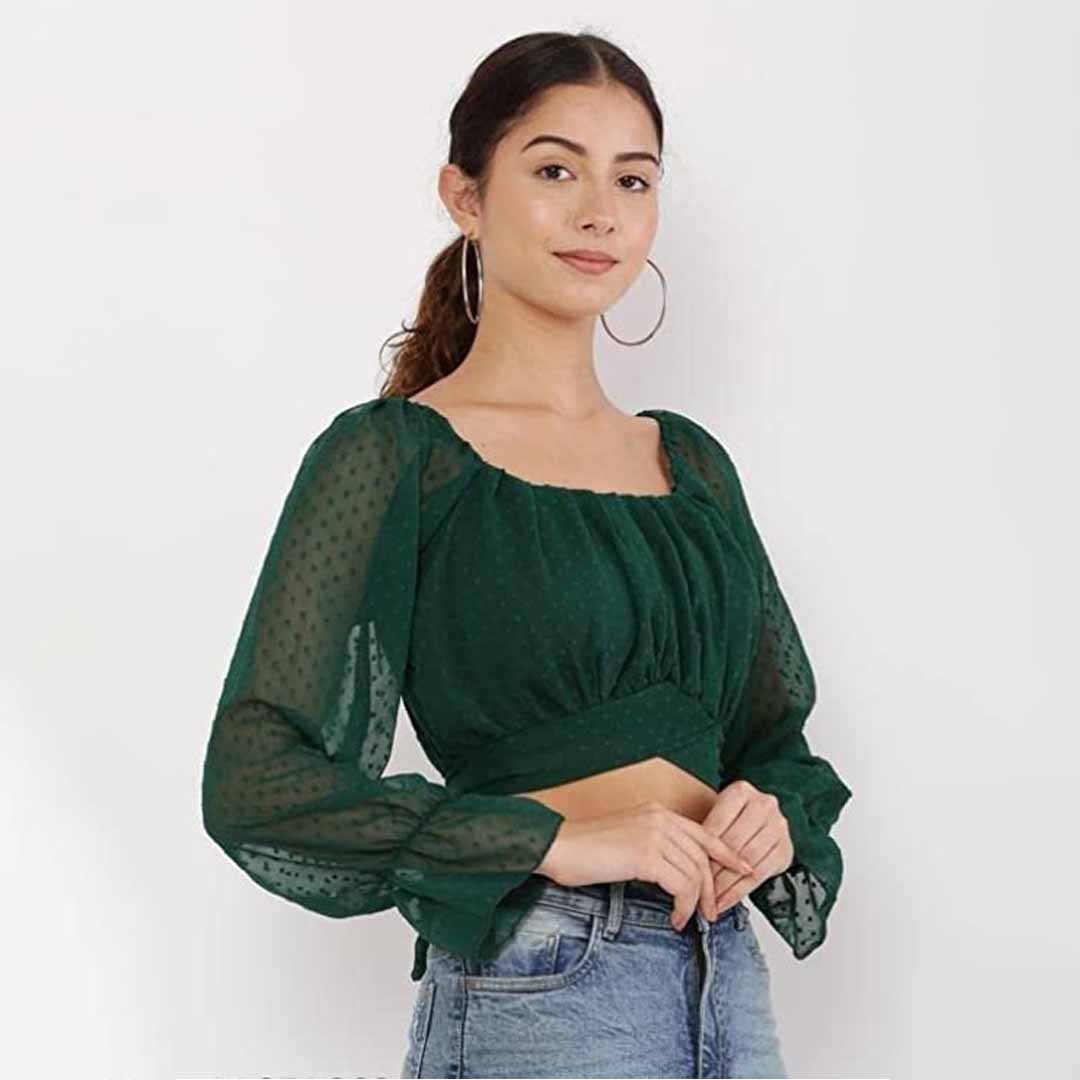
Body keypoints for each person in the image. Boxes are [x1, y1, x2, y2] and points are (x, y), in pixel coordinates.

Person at [200, 30, 853, 1080]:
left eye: (632, 179)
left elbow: (773, 736)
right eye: (555, 171)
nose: (601, 212)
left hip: (724, 971)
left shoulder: (691, 465)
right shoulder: (396, 456)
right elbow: (257, 776)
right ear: (465, 196)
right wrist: (551, 842)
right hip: (542, 975)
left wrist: (771, 816)